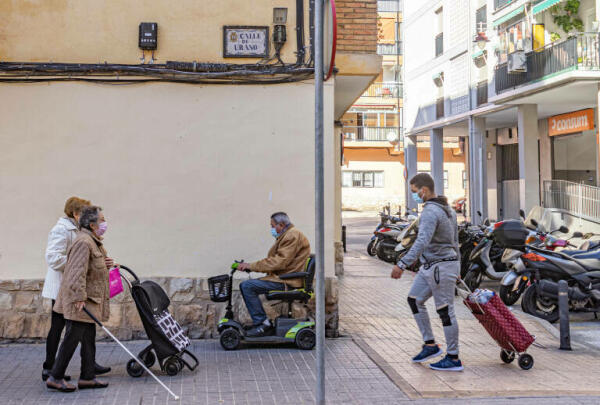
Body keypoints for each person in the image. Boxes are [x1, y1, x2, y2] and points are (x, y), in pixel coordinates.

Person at [390, 173, 463, 371]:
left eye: (414, 192)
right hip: (432, 266)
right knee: (414, 299)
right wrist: (459, 266)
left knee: (445, 311)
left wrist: (402, 264)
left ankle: (454, 358)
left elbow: (422, 241)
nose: (414, 195)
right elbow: (456, 242)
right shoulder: (447, 209)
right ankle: (430, 344)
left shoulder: (431, 212)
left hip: (441, 266)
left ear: (423, 190)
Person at [41, 197, 111, 382]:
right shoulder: (66, 232)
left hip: (81, 292)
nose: (104, 223)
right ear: (76, 214)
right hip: (68, 290)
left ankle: (88, 371)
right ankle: (51, 370)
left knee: (85, 332)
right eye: (102, 220)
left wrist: (103, 264)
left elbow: (89, 264)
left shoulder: (88, 237)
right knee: (63, 331)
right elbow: (63, 262)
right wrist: (78, 294)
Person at [237, 212, 311, 337]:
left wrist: (251, 266)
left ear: (281, 225)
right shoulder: (288, 235)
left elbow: (279, 262)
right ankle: (261, 323)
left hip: (286, 281)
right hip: (283, 279)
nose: (271, 229)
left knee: (247, 286)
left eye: (272, 226)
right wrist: (251, 266)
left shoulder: (291, 236)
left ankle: (262, 324)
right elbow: (279, 261)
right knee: (250, 285)